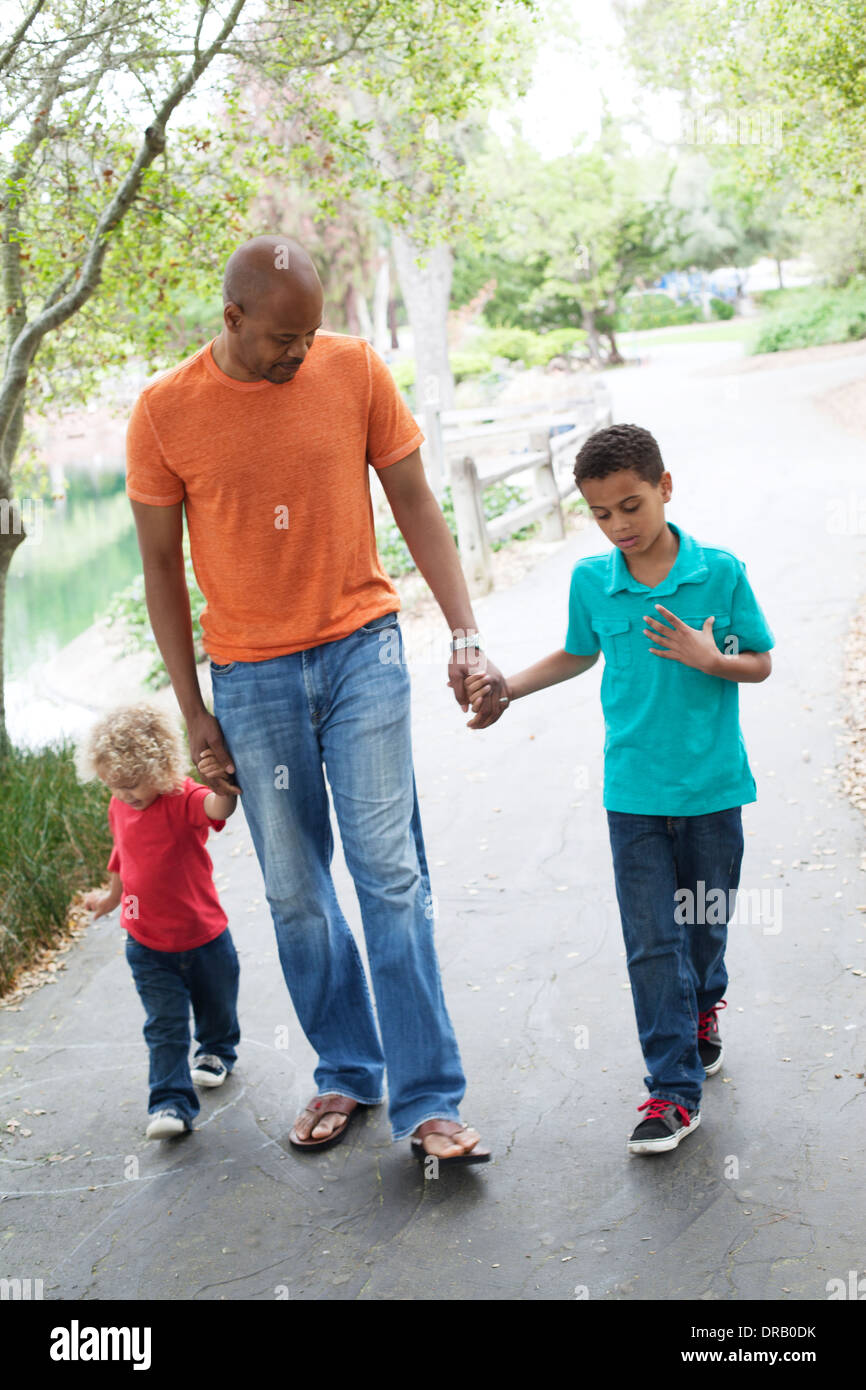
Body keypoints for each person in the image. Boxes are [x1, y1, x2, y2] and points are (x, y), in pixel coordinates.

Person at [124, 235, 508, 1164]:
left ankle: (428, 1102)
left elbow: (415, 498)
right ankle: (346, 1067)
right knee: (296, 893)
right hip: (249, 679)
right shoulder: (165, 413)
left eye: (310, 336)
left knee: (392, 877)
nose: (300, 355)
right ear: (233, 318)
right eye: (282, 340)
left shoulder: (354, 370)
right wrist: (193, 708)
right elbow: (162, 575)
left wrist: (463, 632)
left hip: (362, 654)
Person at [466, 423, 774, 1154]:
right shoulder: (592, 581)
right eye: (601, 514)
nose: (618, 526)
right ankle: (671, 1093)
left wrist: (711, 658)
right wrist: (507, 688)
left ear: (665, 488)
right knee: (650, 940)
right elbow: (577, 654)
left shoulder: (719, 573)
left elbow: (759, 661)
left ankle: (704, 1006)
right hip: (632, 793)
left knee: (702, 929)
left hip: (711, 790)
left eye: (630, 506)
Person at [80, 703, 239, 1140]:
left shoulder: (181, 798)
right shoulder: (120, 805)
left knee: (217, 1005)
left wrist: (220, 785)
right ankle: (170, 1102)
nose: (124, 794)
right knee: (164, 1024)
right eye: (114, 785)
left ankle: (215, 1051)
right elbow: (122, 855)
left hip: (204, 935)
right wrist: (111, 898)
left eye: (131, 784)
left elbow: (218, 809)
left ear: (159, 766)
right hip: (146, 943)